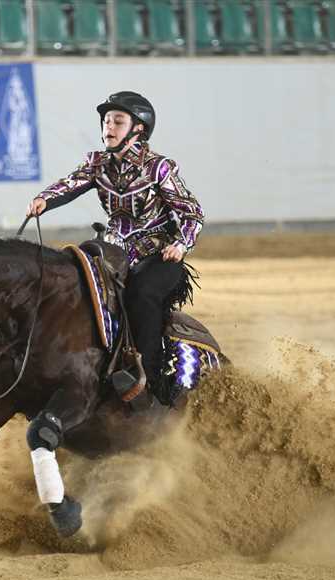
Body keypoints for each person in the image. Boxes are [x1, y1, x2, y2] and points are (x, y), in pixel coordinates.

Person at [27, 91, 205, 404]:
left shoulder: (159, 168)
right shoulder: (97, 163)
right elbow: (70, 184)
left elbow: (192, 212)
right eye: (106, 121)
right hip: (114, 251)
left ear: (139, 129)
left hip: (159, 257)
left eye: (118, 121)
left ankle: (150, 381)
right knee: (74, 282)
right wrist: (45, 199)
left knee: (141, 293)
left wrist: (181, 244)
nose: (109, 126)